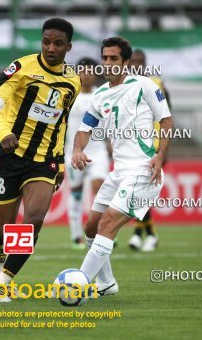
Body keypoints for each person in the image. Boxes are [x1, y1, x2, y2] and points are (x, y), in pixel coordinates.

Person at [0, 18, 81, 302]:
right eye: (46, 42)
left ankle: (3, 281)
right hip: (9, 155)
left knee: (34, 220)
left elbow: (61, 123)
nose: (51, 48)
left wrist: (60, 162)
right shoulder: (21, 68)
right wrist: (3, 133)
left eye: (58, 43)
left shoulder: (72, 81)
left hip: (43, 161)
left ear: (68, 46)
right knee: (2, 232)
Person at [72, 37, 173, 296]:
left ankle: (78, 285)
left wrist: (160, 156)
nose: (108, 63)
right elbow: (85, 129)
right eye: (105, 58)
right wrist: (77, 149)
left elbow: (166, 122)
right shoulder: (100, 95)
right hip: (118, 172)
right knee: (91, 227)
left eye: (114, 58)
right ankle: (106, 283)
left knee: (107, 224)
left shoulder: (144, 85)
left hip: (143, 170)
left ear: (126, 62)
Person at [128, 48, 172, 252]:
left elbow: (167, 117)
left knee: (139, 192)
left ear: (145, 63)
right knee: (138, 193)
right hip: (133, 146)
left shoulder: (157, 84)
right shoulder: (126, 85)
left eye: (139, 62)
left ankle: (142, 234)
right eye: (133, 62)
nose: (136, 65)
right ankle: (147, 234)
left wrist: (164, 151)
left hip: (153, 146)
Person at [64, 57, 110, 249]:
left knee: (99, 189)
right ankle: (76, 236)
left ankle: (101, 234)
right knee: (76, 194)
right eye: (83, 71)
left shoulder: (101, 95)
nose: (87, 75)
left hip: (98, 153)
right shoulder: (69, 96)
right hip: (73, 153)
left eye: (90, 71)